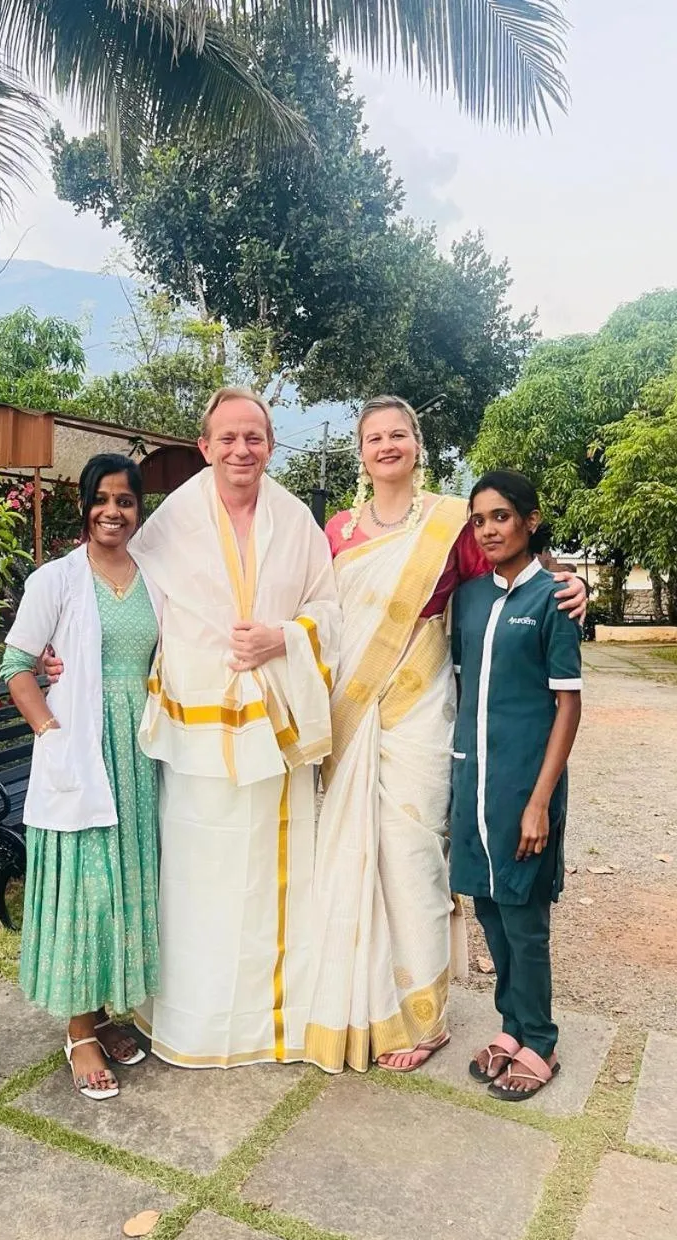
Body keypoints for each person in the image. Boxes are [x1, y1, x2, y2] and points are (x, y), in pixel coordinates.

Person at [304, 397, 587, 1075]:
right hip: (351, 717)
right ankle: (356, 1004)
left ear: (417, 443)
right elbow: (311, 614)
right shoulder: (336, 532)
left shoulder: (452, 523)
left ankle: (424, 1019)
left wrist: (572, 586)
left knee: (412, 858)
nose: (387, 445)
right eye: (374, 436)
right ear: (360, 451)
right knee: (349, 858)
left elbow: (513, 570)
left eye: (398, 433)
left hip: (421, 721)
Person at [129, 387, 339, 1068]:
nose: (241, 450)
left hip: (275, 733)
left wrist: (283, 637)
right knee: (200, 879)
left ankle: (272, 1024)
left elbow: (330, 611)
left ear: (271, 445)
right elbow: (137, 609)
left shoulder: (297, 520)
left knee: (274, 881)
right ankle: (192, 1023)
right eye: (228, 438)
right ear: (205, 446)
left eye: (254, 437)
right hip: (197, 734)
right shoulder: (170, 523)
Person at [0, 454, 162, 1101]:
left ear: (138, 510)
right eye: (102, 499)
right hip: (81, 751)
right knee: (88, 885)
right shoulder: (58, 580)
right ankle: (79, 1030)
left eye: (125, 501)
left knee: (126, 882)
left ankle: (110, 1010)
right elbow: (16, 667)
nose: (113, 512)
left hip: (138, 756)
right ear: (84, 505)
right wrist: (50, 731)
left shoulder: (155, 579)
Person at [451, 469, 582, 1102]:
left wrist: (539, 802)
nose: (490, 529)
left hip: (522, 787)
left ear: (530, 520)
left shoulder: (554, 598)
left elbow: (568, 706)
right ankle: (510, 1028)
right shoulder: (471, 599)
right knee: (488, 909)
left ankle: (542, 1041)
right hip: (472, 780)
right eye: (479, 520)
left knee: (524, 918)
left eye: (501, 516)